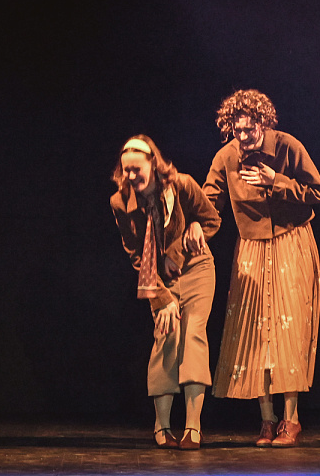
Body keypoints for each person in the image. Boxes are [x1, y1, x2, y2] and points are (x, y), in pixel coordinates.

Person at [203, 90, 320, 448]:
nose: (243, 136)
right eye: (237, 130)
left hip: (291, 239)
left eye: (250, 129)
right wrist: (192, 226)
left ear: (264, 123)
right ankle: (267, 421)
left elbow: (318, 192)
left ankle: (292, 420)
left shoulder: (288, 146)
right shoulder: (226, 157)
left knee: (289, 329)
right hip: (251, 246)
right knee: (257, 331)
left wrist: (277, 181)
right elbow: (209, 201)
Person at [110, 135, 220, 450]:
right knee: (167, 336)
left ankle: (193, 426)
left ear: (153, 163)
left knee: (193, 335)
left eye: (137, 169)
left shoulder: (182, 185)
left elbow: (212, 220)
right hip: (158, 277)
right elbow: (136, 255)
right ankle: (162, 425)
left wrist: (192, 233)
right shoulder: (120, 202)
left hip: (197, 268)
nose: (132, 175)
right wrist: (162, 298)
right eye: (126, 170)